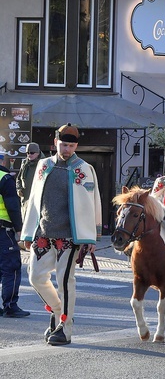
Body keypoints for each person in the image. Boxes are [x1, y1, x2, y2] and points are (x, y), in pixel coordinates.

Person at [21, 124, 102, 345]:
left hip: (70, 235)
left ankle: (65, 329)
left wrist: (91, 236)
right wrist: (28, 232)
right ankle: (58, 312)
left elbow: (92, 203)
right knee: (35, 277)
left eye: (71, 145)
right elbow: (34, 200)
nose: (67, 149)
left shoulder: (84, 168)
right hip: (44, 232)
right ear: (55, 142)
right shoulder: (43, 165)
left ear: (76, 145)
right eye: (63, 144)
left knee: (65, 281)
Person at [0, 151, 30, 318]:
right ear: (2, 161)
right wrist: (20, 229)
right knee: (11, 268)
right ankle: (10, 306)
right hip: (4, 231)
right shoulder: (4, 178)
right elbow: (12, 207)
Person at [17, 142, 44, 219]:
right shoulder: (25, 163)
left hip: (38, 199)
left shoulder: (44, 164)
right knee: (25, 221)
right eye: (27, 153)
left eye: (32, 153)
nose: (29, 155)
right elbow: (18, 178)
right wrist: (19, 188)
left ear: (38, 153)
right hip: (25, 198)